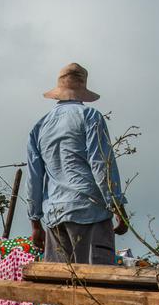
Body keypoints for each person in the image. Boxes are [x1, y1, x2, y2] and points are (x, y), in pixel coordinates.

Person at [26, 62, 129, 265]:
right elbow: (101, 164)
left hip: (56, 216)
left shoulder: (40, 126)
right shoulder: (90, 117)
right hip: (90, 212)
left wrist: (35, 223)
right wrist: (117, 206)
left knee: (61, 287)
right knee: (95, 287)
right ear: (82, 92)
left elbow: (34, 178)